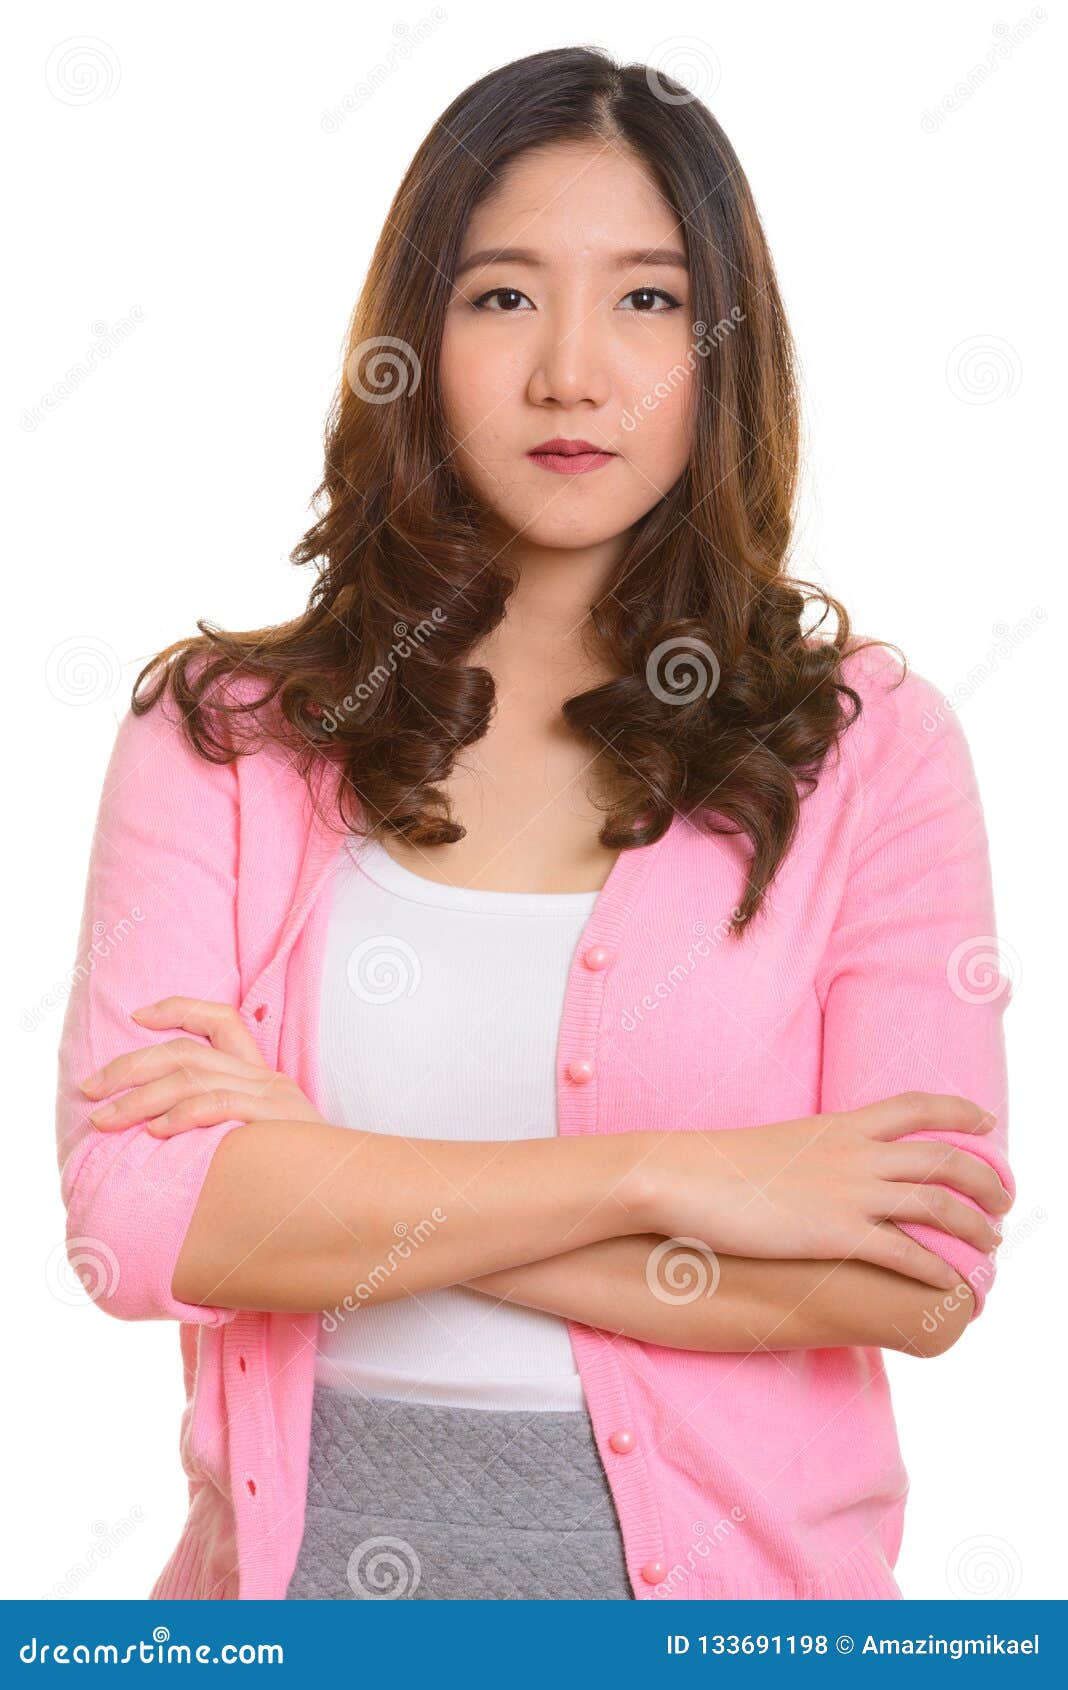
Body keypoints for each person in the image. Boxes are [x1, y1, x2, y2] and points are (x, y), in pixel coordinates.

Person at [56, 45, 1013, 1602]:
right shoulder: (222, 737)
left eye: (646, 300)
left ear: (722, 350)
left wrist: (314, 1168)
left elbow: (913, 1271)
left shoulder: (869, 746)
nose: (573, 369)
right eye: (504, 295)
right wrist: (673, 1179)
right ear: (414, 340)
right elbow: (142, 1224)